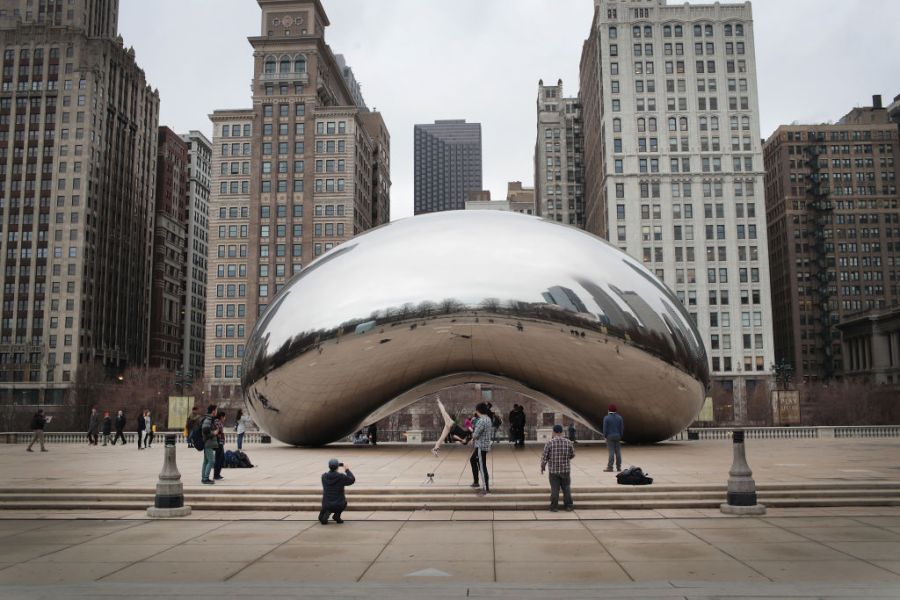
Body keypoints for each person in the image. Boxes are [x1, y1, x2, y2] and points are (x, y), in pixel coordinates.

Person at [541, 424, 575, 512]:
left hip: (553, 471)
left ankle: (554, 507)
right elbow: (572, 455)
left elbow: (545, 456)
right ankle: (569, 506)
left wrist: (543, 466)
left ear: (554, 432)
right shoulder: (568, 442)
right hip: (565, 470)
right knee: (566, 488)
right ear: (562, 432)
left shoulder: (549, 443)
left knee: (554, 489)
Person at [318, 458, 355, 524]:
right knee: (344, 502)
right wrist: (347, 470)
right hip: (339, 504)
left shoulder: (324, 476)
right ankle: (337, 516)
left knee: (320, 518)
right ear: (337, 467)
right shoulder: (340, 477)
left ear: (329, 466)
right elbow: (352, 480)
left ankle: (327, 512)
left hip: (326, 504)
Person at [469, 402, 493, 496]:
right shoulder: (488, 419)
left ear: (477, 410)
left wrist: (472, 432)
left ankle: (485, 488)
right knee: (472, 460)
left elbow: (476, 434)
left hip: (481, 446)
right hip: (483, 445)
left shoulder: (482, 420)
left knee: (482, 467)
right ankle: (476, 482)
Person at [603, 403, 624, 473]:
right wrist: (620, 435)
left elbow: (605, 429)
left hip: (610, 436)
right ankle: (618, 467)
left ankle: (610, 467)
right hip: (617, 436)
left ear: (608, 410)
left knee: (611, 452)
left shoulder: (606, 418)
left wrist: (605, 436)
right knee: (618, 452)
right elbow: (621, 428)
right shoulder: (619, 418)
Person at [200, 405, 218, 484]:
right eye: (216, 410)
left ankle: (204, 477)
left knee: (206, 461)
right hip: (208, 443)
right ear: (213, 411)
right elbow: (205, 430)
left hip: (208, 442)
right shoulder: (208, 419)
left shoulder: (209, 419)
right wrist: (213, 433)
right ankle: (206, 478)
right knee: (211, 461)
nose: (217, 412)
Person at [213, 410, 226, 480]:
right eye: (224, 417)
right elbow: (218, 431)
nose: (225, 418)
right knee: (218, 459)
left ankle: (218, 474)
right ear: (221, 417)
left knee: (221, 458)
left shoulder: (219, 422)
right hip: (218, 442)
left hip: (220, 442)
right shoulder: (217, 422)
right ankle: (216, 475)